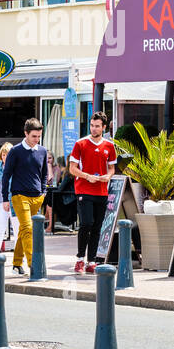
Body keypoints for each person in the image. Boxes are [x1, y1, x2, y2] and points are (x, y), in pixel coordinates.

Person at [0, 117, 48, 277]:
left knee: (23, 230)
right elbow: (6, 175)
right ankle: (33, 264)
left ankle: (16, 264)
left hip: (37, 197)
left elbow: (44, 174)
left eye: (39, 136)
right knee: (28, 229)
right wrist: (5, 198)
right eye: (34, 136)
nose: (37, 139)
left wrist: (43, 192)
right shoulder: (15, 151)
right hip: (19, 196)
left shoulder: (42, 151)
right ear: (26, 133)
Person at [70, 112, 117, 273]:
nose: (94, 128)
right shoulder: (80, 143)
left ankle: (91, 261)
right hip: (83, 189)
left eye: (97, 126)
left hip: (102, 191)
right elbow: (72, 169)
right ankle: (79, 259)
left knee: (97, 227)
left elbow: (112, 168)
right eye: (92, 125)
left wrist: (107, 177)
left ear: (104, 127)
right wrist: (87, 176)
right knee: (86, 223)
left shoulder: (109, 146)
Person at [0, 142, 19, 254]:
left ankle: (19, 255)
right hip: (0, 201)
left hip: (14, 201)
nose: (5, 157)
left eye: (8, 155)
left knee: (17, 230)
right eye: (3, 155)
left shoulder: (17, 167)